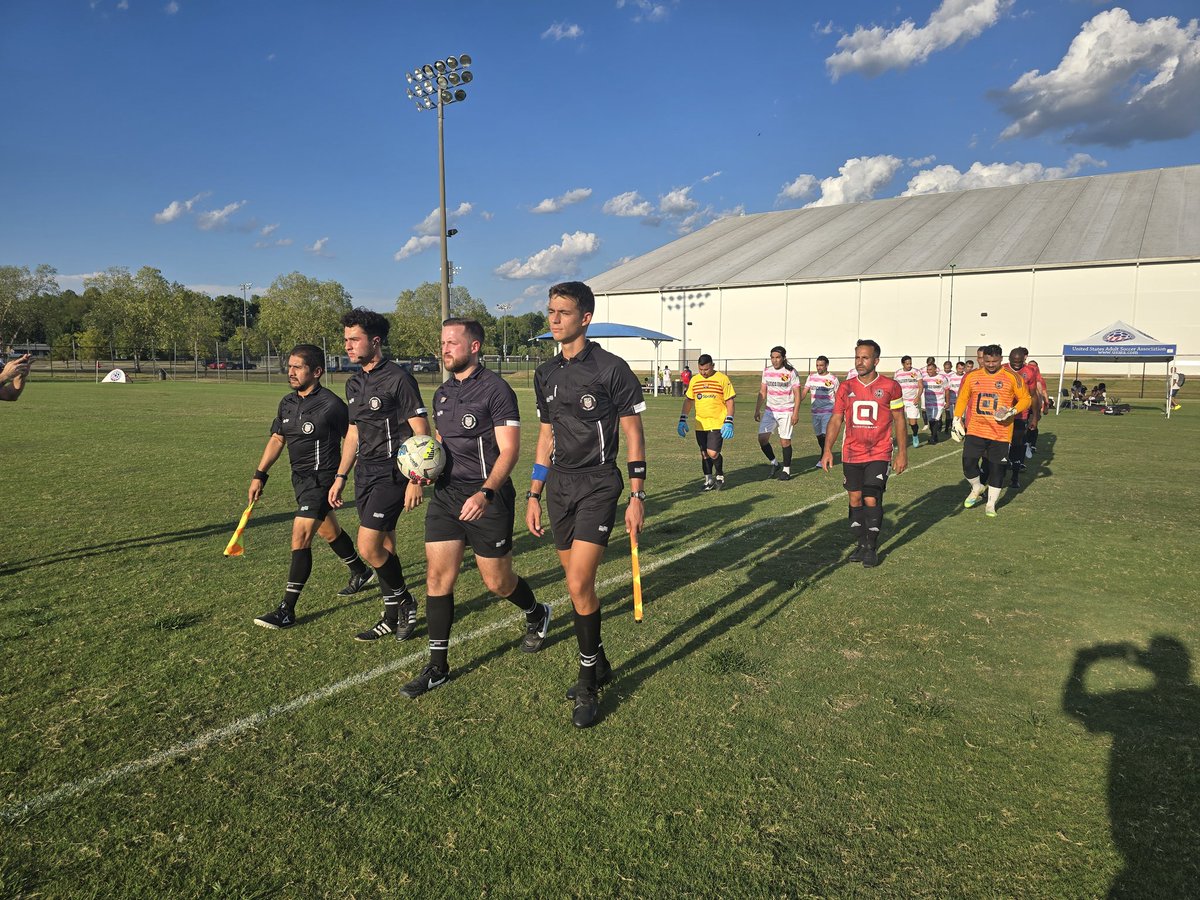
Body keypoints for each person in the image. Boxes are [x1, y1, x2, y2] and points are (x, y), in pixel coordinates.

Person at [399, 319, 550, 698]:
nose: (445, 349)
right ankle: (437, 667)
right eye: (443, 342)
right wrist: (422, 472)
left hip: (488, 497)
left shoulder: (496, 390)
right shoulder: (443, 393)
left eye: (453, 342)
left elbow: (510, 449)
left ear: (475, 346)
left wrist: (485, 493)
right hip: (448, 497)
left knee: (497, 582)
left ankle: (536, 612)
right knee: (437, 579)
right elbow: (438, 443)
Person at [527, 281, 646, 728]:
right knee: (580, 590)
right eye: (550, 311)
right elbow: (545, 438)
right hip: (558, 486)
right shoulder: (545, 374)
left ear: (585, 317)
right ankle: (599, 661)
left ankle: (587, 683)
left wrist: (636, 495)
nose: (553, 319)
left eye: (562, 312)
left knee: (578, 585)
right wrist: (535, 493)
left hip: (599, 484)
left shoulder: (612, 369)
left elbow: (634, 434)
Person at [249, 345, 374, 630]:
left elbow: (354, 441)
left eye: (298, 367)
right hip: (300, 481)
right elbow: (278, 439)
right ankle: (359, 570)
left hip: (323, 479)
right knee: (329, 530)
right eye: (289, 366)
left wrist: (342, 478)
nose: (290, 372)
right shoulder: (287, 403)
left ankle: (286, 610)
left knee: (300, 534)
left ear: (316, 372)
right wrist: (260, 475)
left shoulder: (331, 405)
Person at [328, 308, 430, 642]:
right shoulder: (353, 383)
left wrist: (415, 479)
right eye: (345, 340)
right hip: (365, 474)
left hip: (393, 473)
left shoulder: (398, 379)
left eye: (354, 339)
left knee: (368, 546)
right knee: (386, 545)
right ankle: (390, 615)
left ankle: (405, 600)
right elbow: (353, 434)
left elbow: (421, 431)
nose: (348, 346)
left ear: (375, 341)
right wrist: (341, 475)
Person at [820, 340, 907, 567]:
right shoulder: (846, 387)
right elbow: (837, 418)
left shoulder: (891, 386)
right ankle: (861, 542)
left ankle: (871, 547)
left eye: (865, 358)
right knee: (855, 498)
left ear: (876, 360)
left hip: (879, 451)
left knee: (871, 496)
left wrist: (902, 453)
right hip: (851, 453)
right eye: (857, 357)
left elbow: (899, 419)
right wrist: (827, 450)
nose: (860, 362)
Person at [952, 344, 1031, 517]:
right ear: (982, 359)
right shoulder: (973, 376)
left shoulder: (1012, 377)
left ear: (1001, 359)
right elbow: (963, 397)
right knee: (968, 463)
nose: (990, 364)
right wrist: (957, 418)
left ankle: (990, 504)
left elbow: (1026, 399)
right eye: (987, 361)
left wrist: (1012, 411)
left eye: (994, 361)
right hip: (976, 429)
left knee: (997, 469)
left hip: (1001, 432)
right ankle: (977, 487)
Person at [679, 353, 736, 491]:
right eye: (701, 370)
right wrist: (683, 419)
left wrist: (729, 420)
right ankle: (708, 480)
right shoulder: (695, 380)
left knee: (712, 453)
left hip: (717, 422)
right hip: (700, 424)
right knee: (704, 453)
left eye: (706, 369)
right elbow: (689, 400)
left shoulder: (722, 379)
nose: (704, 372)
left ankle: (720, 474)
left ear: (713, 366)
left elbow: (729, 400)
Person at [754, 346, 802, 481]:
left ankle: (786, 470)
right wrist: (757, 409)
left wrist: (796, 412)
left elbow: (797, 394)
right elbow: (763, 391)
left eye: (778, 357)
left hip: (786, 410)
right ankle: (775, 463)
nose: (775, 360)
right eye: (772, 357)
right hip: (770, 410)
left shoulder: (791, 372)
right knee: (762, 439)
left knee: (785, 441)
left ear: (783, 358)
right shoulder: (766, 371)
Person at [1004, 347, 1039, 488]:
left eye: (1019, 362)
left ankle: (1015, 477)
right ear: (1009, 359)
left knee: (1017, 445)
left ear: (1024, 359)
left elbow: (1033, 395)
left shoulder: (1029, 372)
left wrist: (1035, 416)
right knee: (1000, 446)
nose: (1017, 364)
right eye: (1014, 361)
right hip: (1003, 415)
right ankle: (998, 474)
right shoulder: (1002, 370)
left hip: (1020, 415)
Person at [800, 355, 839, 464]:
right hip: (815, 412)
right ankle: (826, 452)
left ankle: (823, 458)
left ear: (826, 365)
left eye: (821, 365)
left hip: (828, 411)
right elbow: (804, 392)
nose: (819, 367)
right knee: (819, 436)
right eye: (817, 365)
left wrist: (839, 412)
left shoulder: (833, 379)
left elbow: (838, 396)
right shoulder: (811, 377)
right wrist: (797, 402)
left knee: (824, 434)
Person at [893, 355, 923, 447]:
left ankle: (915, 435)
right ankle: (902, 441)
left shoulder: (916, 372)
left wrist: (918, 397)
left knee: (912, 422)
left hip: (912, 401)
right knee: (900, 422)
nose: (909, 365)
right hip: (900, 401)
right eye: (907, 364)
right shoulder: (897, 373)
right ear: (903, 364)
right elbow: (895, 387)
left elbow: (921, 386)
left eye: (910, 363)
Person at [920, 361, 949, 444]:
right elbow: (920, 388)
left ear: (935, 369)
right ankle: (934, 436)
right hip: (928, 402)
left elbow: (947, 390)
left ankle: (932, 437)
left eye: (931, 369)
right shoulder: (924, 378)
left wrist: (947, 402)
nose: (929, 371)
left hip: (939, 402)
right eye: (928, 369)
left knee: (936, 418)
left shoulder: (942, 378)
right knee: (931, 420)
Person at [945, 361, 965, 433]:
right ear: (956, 368)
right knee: (951, 416)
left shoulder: (965, 377)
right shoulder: (951, 377)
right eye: (959, 368)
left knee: (960, 416)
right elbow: (947, 389)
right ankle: (949, 429)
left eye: (962, 369)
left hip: (961, 400)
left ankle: (960, 430)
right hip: (952, 400)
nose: (961, 370)